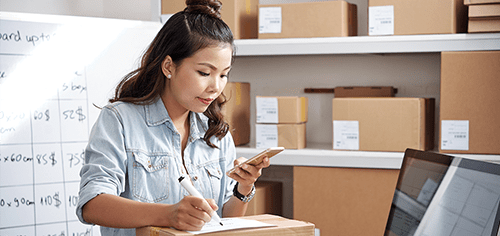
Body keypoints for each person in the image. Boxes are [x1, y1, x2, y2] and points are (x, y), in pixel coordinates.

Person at [76, 0, 270, 235]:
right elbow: (91, 204)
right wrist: (168, 214)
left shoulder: (216, 131)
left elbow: (225, 221)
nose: (215, 87)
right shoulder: (120, 120)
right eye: (204, 73)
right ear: (169, 66)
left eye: (224, 75)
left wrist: (244, 186)